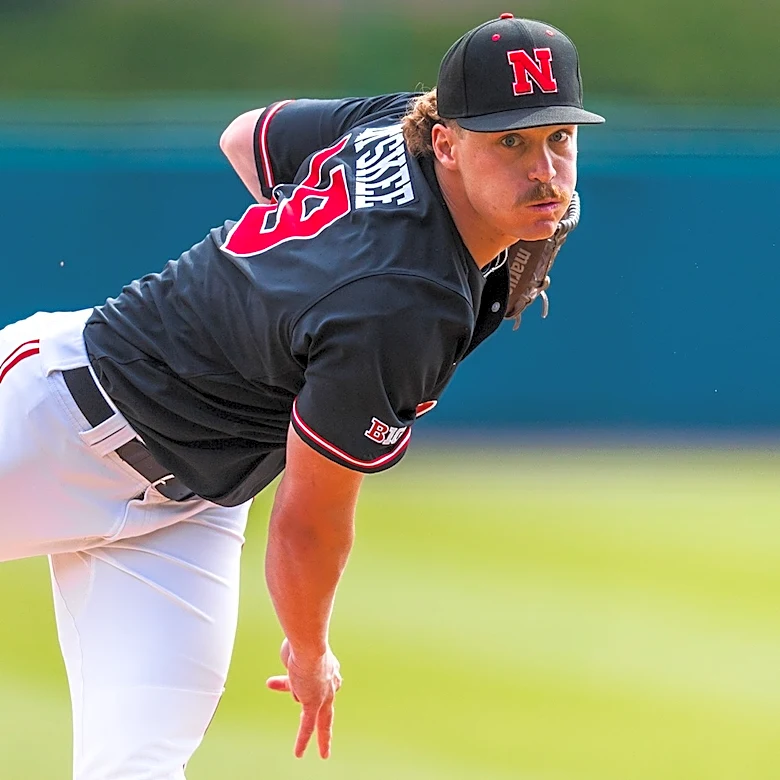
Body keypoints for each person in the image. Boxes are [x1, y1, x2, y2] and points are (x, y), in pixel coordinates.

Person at [0, 13, 604, 779]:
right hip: (56, 417)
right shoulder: (402, 302)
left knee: (137, 766)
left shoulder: (396, 123)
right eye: (509, 141)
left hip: (194, 505)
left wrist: (304, 263)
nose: (544, 168)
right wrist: (310, 648)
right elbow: (311, 523)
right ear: (446, 142)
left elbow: (246, 136)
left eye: (559, 137)